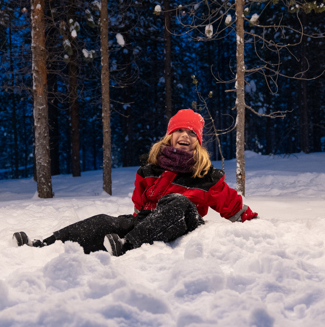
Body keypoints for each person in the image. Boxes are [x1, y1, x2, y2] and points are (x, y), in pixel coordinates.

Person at [13, 108, 258, 256]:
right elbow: (139, 209)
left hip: (185, 224)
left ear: (198, 141)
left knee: (178, 201)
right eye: (180, 131)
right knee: (105, 221)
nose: (185, 135)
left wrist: (256, 224)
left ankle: (127, 247)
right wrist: (127, 225)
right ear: (169, 137)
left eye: (192, 133)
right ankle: (45, 244)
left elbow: (234, 208)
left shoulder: (206, 176)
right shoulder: (148, 171)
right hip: (148, 224)